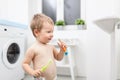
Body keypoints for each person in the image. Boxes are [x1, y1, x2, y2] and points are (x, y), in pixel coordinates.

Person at [22, 13, 67, 80]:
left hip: (54, 78)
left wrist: (62, 50)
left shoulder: (51, 47)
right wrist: (32, 72)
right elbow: (24, 64)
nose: (52, 35)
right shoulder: (33, 49)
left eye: (52, 32)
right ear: (36, 32)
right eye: (49, 32)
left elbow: (58, 58)